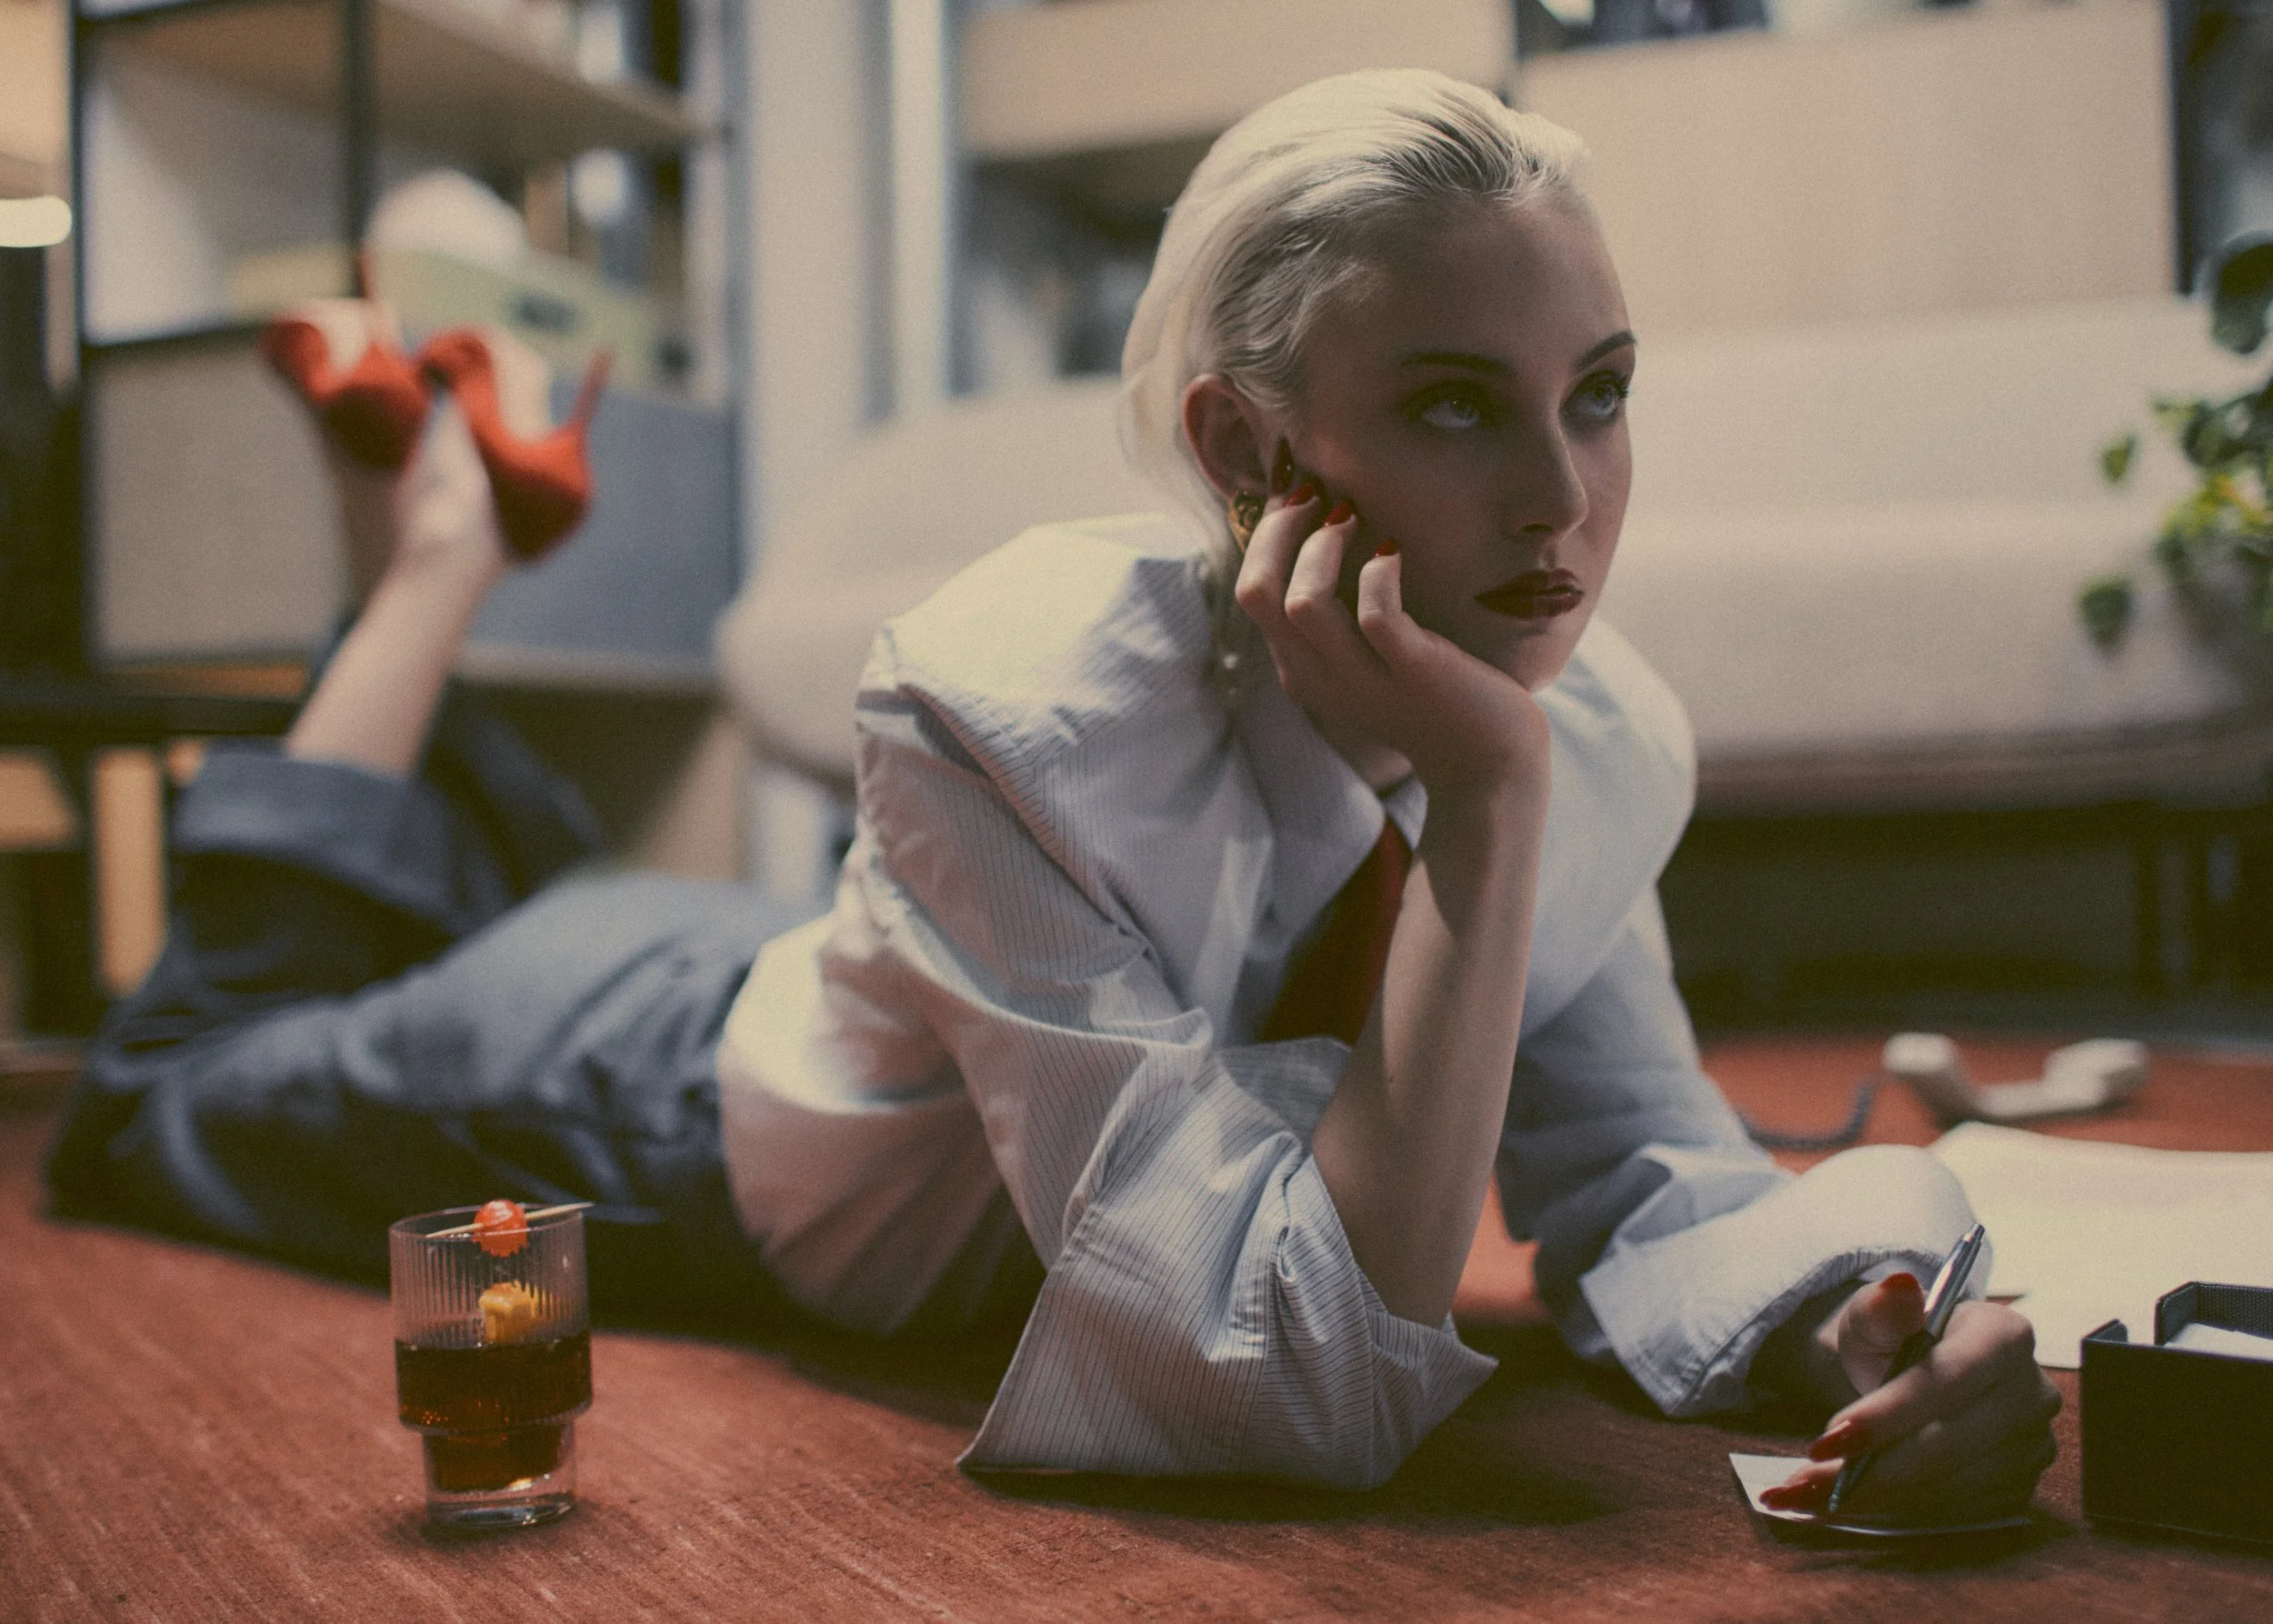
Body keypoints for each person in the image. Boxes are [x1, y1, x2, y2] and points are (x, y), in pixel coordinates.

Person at [49, 69, 2058, 1514]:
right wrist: (1487, 797)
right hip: (638, 1091)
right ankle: (431, 549)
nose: (1563, 497)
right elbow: (1295, 1381)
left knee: (405, 935)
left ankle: (439, 610)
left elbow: (1634, 1168)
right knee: (160, 1093)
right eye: (1455, 402)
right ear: (1250, 446)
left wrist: (1848, 1316)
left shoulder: (1577, 726)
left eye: (1597, 390)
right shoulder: (1012, 700)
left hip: (878, 993)